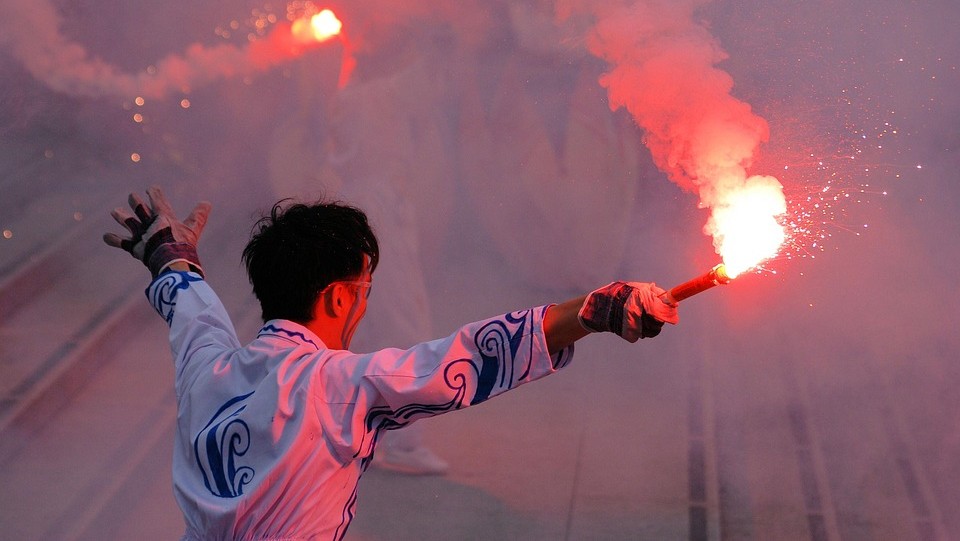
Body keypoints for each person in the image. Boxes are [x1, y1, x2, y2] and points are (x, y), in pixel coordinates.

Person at [103, 186, 679, 541]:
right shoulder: (340, 387)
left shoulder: (210, 370)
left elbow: (192, 309)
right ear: (336, 296)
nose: (365, 302)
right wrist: (601, 308)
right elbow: (471, 353)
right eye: (365, 288)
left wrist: (168, 253)